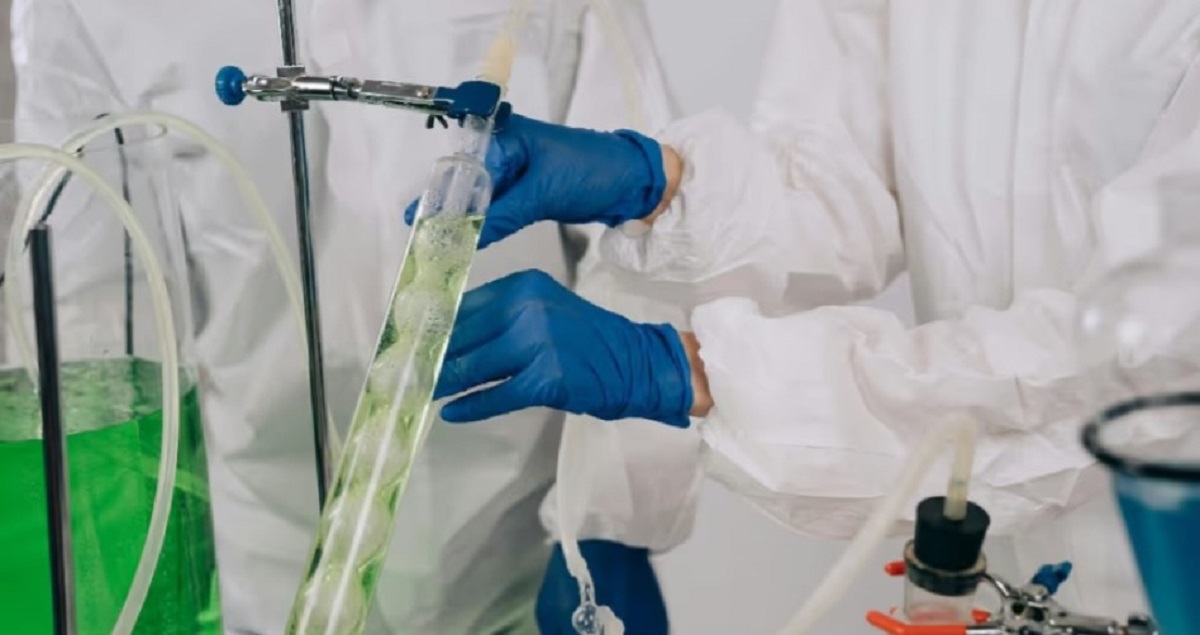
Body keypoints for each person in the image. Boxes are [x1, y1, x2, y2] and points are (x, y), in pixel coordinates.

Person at [429, 0, 1200, 617]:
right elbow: (839, 185)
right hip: (1010, 578)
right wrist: (655, 183)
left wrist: (684, 371)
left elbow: (1147, 367)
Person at [9, 0, 699, 632]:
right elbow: (93, 316)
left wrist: (615, 518)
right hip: (265, 562)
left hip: (524, 552)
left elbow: (653, 225)